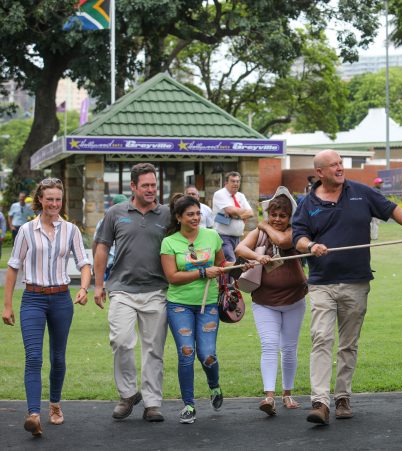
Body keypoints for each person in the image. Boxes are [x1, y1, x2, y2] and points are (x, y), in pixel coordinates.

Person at [293, 149, 402, 425]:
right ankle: (320, 402)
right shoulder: (307, 203)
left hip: (356, 281)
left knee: (348, 344)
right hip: (321, 284)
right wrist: (311, 246)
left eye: (341, 163)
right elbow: (298, 238)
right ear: (320, 173)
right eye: (333, 165)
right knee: (321, 338)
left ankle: (342, 397)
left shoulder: (362, 193)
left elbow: (392, 209)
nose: (340, 168)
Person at [2, 178, 91, 437]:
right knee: (33, 357)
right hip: (32, 299)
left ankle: (54, 404)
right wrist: (7, 306)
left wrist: (84, 288)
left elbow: (83, 263)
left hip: (62, 299)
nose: (53, 204)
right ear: (39, 199)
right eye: (49, 199)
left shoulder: (71, 230)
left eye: (58, 199)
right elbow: (13, 267)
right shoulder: (27, 231)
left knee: (58, 357)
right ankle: (33, 414)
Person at [94, 163, 172, 422]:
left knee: (154, 350)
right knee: (120, 341)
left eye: (154, 185)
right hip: (122, 290)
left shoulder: (167, 214)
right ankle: (128, 394)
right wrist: (97, 285)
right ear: (134, 187)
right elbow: (102, 248)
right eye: (146, 185)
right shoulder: (115, 213)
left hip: (156, 291)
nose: (151, 190)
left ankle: (152, 402)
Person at [235, 186, 307, 417]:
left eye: (282, 215)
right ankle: (269, 396)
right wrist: (257, 256)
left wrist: (263, 224)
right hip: (265, 301)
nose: (277, 219)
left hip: (295, 300)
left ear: (290, 217)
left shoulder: (296, 231)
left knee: (289, 349)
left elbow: (284, 242)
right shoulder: (260, 233)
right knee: (268, 345)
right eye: (273, 215)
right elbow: (239, 248)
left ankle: (287, 393)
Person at [160, 194, 226, 424]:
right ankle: (189, 405)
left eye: (198, 213)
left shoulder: (212, 236)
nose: (196, 217)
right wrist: (201, 272)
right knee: (186, 352)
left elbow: (222, 263)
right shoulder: (169, 242)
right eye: (190, 214)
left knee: (207, 355)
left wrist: (238, 266)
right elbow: (172, 277)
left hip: (208, 304)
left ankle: (214, 386)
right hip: (179, 305)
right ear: (178, 217)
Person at [212, 171, 254, 262]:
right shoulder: (220, 194)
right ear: (226, 183)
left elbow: (251, 213)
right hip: (223, 237)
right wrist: (241, 214)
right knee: (231, 262)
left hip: (237, 237)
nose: (236, 184)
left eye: (238, 181)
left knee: (238, 262)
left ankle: (233, 277)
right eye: (233, 181)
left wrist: (235, 215)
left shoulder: (241, 196)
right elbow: (230, 210)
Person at [92, 194, 128, 281]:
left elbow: (95, 244)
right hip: (108, 264)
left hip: (118, 265)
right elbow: (96, 244)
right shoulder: (103, 222)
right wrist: (96, 263)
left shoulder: (127, 222)